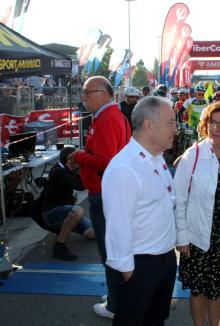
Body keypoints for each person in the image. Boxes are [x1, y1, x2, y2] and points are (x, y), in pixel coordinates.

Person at [102, 96, 178, 325]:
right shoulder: (124, 168)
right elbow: (117, 226)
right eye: (171, 122)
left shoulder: (156, 158)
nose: (176, 128)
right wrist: (129, 274)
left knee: (155, 320)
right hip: (139, 265)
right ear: (149, 125)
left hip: (163, 259)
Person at [175, 102, 220, 326]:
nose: (216, 128)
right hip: (200, 237)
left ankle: (214, 323)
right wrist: (182, 238)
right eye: (212, 123)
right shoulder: (193, 155)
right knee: (200, 289)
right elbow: (178, 199)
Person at [68, 76, 131, 319]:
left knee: (109, 251)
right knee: (114, 249)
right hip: (108, 191)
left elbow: (105, 160)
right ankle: (118, 297)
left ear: (104, 93)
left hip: (104, 193)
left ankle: (116, 304)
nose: (83, 97)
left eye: (87, 92)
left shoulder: (107, 118)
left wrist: (80, 157)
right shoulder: (113, 115)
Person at [42, 147, 95, 261]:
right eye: (78, 158)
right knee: (78, 210)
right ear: (69, 160)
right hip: (52, 213)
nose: (80, 160)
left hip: (66, 211)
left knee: (92, 234)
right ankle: (59, 247)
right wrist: (83, 168)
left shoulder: (69, 169)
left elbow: (82, 183)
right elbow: (81, 186)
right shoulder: (58, 171)